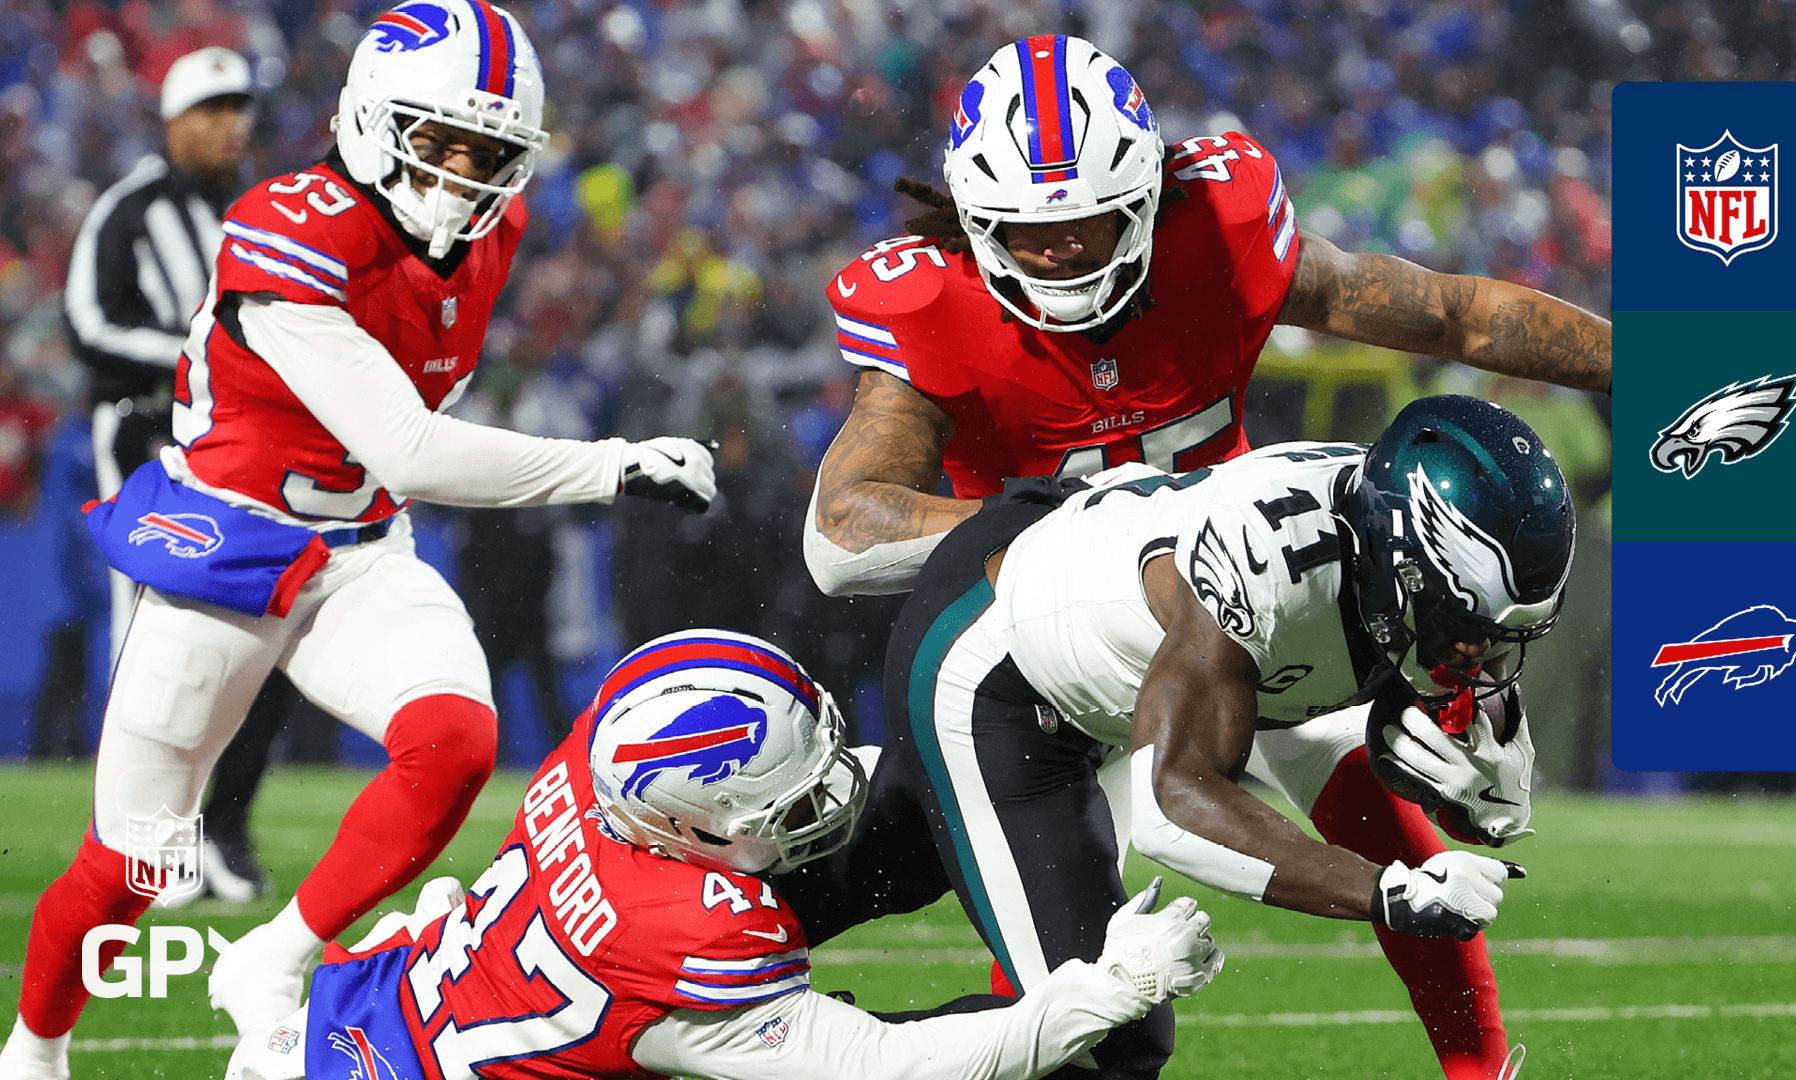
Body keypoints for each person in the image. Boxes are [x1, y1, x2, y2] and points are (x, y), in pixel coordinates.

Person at [800, 36, 1607, 1079]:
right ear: (979, 220)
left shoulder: (1216, 232)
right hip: (1051, 630)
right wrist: (1086, 524)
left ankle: (1480, 1071)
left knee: (1389, 807)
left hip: (1250, 589)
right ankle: (740, 1015)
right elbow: (844, 531)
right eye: (1032, 230)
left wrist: (1657, 364)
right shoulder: (934, 307)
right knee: (1022, 946)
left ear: (1146, 197)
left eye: (1091, 221)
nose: (1064, 252)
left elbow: (1454, 314)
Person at [0, 6, 719, 1077]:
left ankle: (272, 956)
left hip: (361, 547)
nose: (464, 173)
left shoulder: (493, 232)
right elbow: (409, 446)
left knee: (455, 743)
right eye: (441, 141)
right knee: (133, 868)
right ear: (374, 121)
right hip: (227, 551)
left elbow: (409, 437)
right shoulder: (289, 226)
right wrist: (611, 464)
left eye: (490, 151)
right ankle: (34, 1050)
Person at [778, 396, 1562, 1080]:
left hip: (1092, 654)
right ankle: (787, 1055)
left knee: (897, 860)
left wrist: (1473, 784)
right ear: (1402, 565)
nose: (1481, 661)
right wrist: (1383, 892)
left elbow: (1415, 768)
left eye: (1502, 639)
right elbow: (1172, 801)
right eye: (1465, 627)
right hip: (996, 665)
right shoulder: (1271, 572)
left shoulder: (1391, 545)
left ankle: (711, 959)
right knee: (1106, 1038)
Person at [221, 630, 1225, 1080]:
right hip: (378, 1048)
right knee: (1042, 1060)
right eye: (791, 796)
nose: (828, 792)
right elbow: (895, 1068)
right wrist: (1110, 988)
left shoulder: (611, 763)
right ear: (685, 827)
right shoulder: (678, 933)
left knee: (899, 820)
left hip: (351, 1029)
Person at [58, 44, 287, 904]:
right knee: (148, 629)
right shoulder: (129, 209)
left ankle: (221, 827)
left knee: (265, 627)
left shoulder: (259, 214)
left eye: (241, 110)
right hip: (144, 436)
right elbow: (88, 325)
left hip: (237, 443)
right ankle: (143, 838)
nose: (233, 126)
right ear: (174, 121)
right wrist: (200, 352)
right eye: (213, 110)